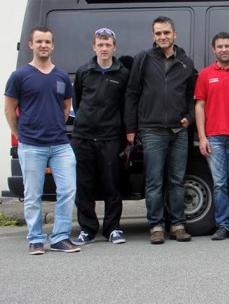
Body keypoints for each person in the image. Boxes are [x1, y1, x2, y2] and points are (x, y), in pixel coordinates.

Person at [4, 27, 80, 254]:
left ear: (53, 45)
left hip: (60, 144)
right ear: (31, 45)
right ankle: (36, 239)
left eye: (47, 41)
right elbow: (9, 109)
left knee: (67, 190)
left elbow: (66, 107)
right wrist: (19, 135)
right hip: (31, 145)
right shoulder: (20, 76)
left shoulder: (61, 76)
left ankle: (60, 238)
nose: (43, 45)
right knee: (33, 195)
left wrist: (53, 124)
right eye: (39, 41)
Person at [124, 16, 195, 244]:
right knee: (154, 182)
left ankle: (178, 225)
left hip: (178, 131)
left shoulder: (186, 62)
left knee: (176, 181)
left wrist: (189, 117)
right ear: (153, 36)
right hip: (151, 130)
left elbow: (191, 96)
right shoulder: (143, 59)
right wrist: (131, 127)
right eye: (158, 33)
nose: (162, 37)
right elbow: (132, 93)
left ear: (175, 34)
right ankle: (156, 226)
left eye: (166, 32)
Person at [71, 28, 131, 246]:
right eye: (100, 44)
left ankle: (113, 228)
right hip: (83, 137)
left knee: (112, 185)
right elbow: (78, 102)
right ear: (93, 47)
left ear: (114, 47)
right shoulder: (84, 71)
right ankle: (87, 229)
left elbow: (125, 107)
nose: (104, 48)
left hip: (110, 137)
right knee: (84, 185)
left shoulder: (122, 74)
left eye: (108, 45)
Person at [195, 32, 229, 241]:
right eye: (220, 46)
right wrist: (202, 137)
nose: (224, 49)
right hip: (214, 138)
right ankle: (222, 225)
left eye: (227, 46)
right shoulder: (205, 74)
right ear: (214, 49)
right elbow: (199, 106)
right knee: (219, 184)